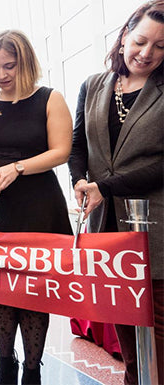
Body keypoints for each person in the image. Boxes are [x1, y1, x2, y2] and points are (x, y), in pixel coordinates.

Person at [0, 30, 72, 384]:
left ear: (25, 61)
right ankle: (5, 363)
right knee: (1, 288)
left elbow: (61, 151)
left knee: (34, 290)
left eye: (9, 66)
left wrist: (18, 167)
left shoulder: (50, 98)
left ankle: (32, 368)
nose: (2, 75)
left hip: (37, 203)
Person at [68, 2, 164, 383]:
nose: (147, 53)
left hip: (156, 224)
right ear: (124, 36)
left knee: (157, 324)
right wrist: (79, 180)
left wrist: (103, 186)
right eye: (141, 40)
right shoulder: (92, 85)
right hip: (107, 226)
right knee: (122, 313)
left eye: (160, 46)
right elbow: (78, 146)